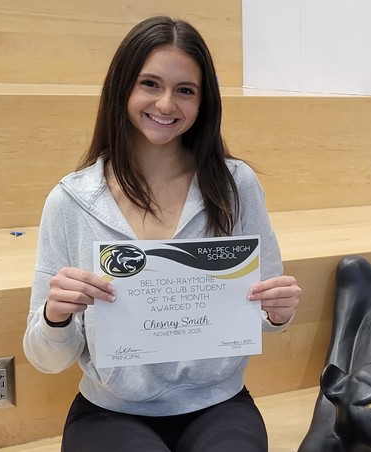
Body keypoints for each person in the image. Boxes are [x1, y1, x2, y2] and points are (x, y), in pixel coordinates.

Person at [22, 16, 302, 451]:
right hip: (109, 411)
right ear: (122, 89)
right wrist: (55, 317)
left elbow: (264, 317)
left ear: (203, 102)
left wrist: (277, 312)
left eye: (185, 90)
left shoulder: (236, 186)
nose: (167, 104)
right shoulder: (71, 200)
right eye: (150, 84)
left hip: (219, 403)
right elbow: (45, 358)